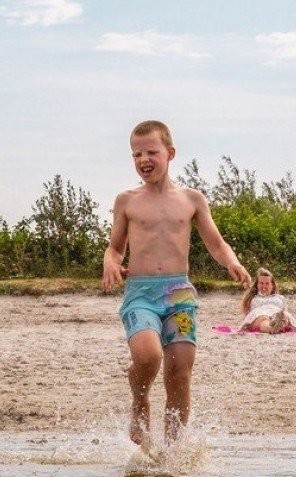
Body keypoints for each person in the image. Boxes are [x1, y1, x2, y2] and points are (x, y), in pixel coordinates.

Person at [103, 120, 251, 446]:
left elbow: (215, 242)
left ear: (170, 153)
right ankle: (140, 400)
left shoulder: (192, 199)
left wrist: (232, 263)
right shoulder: (127, 200)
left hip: (179, 293)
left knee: (180, 372)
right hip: (141, 292)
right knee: (148, 357)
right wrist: (111, 264)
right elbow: (115, 248)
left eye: (151, 152)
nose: (144, 159)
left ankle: (173, 452)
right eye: (137, 154)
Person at [239, 268, 295, 334]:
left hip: (277, 313)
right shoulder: (252, 297)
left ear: (272, 285)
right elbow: (246, 312)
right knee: (263, 318)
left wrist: (281, 316)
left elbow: (285, 310)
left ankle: (278, 324)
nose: (264, 286)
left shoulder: (280, 298)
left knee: (283, 316)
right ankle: (271, 328)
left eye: (267, 283)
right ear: (257, 285)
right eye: (261, 283)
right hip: (259, 314)